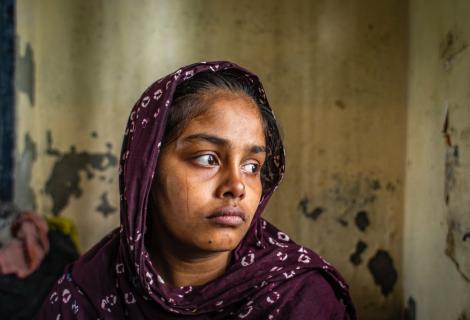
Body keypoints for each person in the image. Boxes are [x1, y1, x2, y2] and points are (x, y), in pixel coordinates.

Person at [37, 61, 356, 319]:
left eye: (252, 166)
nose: (237, 187)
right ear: (146, 169)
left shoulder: (299, 298)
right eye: (207, 158)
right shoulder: (83, 298)